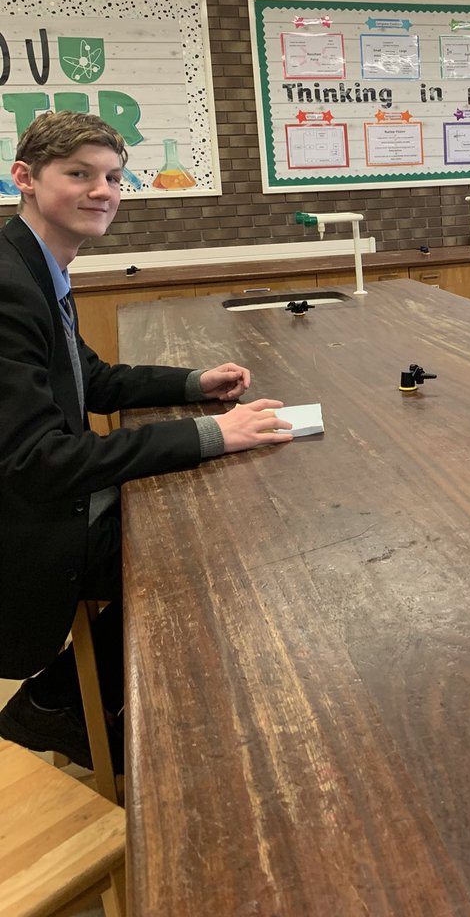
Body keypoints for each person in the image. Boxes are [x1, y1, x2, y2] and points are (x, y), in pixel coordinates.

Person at [0, 110, 295, 769]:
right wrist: (209, 434)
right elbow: (39, 463)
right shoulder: (10, 285)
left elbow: (92, 380)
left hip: (46, 503)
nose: (101, 191)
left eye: (112, 176)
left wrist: (194, 382)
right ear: (25, 178)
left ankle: (67, 703)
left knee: (196, 524)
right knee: (201, 548)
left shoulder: (35, 265)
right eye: (78, 174)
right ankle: (84, 709)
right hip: (29, 534)